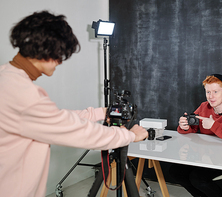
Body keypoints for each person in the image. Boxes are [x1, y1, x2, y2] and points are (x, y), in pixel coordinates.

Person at [0, 11, 148, 197]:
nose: (60, 62)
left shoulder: (7, 78)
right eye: (61, 54)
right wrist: (128, 135)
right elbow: (80, 132)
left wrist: (100, 113)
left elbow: (54, 119)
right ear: (48, 49)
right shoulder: (22, 94)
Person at [169, 74, 222, 197]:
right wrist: (184, 126)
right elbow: (192, 128)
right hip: (207, 157)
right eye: (208, 92)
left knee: (197, 178)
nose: (211, 97)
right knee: (175, 171)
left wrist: (214, 125)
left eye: (215, 92)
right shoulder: (204, 106)